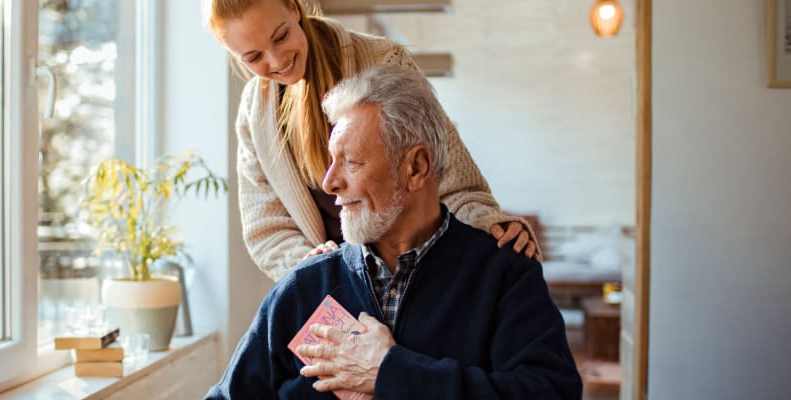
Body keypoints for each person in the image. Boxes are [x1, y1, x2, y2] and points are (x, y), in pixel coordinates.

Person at [204, 66, 581, 399]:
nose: (329, 181)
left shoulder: (505, 276)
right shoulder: (304, 287)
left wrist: (391, 372)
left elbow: (552, 392)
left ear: (416, 167)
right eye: (331, 160)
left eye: (350, 161)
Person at [203, 0, 541, 281]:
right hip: (333, 288)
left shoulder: (383, 60)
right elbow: (267, 228)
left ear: (294, 8)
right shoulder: (254, 113)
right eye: (253, 58)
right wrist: (309, 265)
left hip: (420, 272)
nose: (276, 61)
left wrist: (488, 224)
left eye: (281, 37)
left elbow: (449, 176)